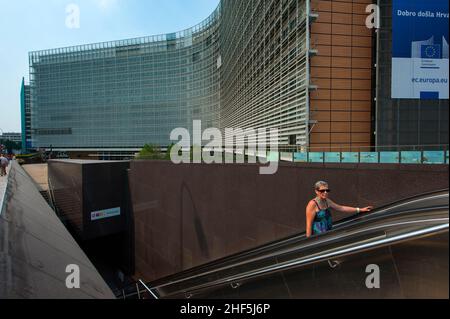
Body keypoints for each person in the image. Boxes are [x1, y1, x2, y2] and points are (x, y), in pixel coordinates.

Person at [306, 181, 373, 238]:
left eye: (327, 190)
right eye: (322, 190)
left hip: (327, 233)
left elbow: (341, 208)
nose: (325, 192)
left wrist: (360, 210)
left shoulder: (327, 201)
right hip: (318, 236)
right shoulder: (312, 204)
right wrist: (308, 243)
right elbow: (309, 225)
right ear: (316, 191)